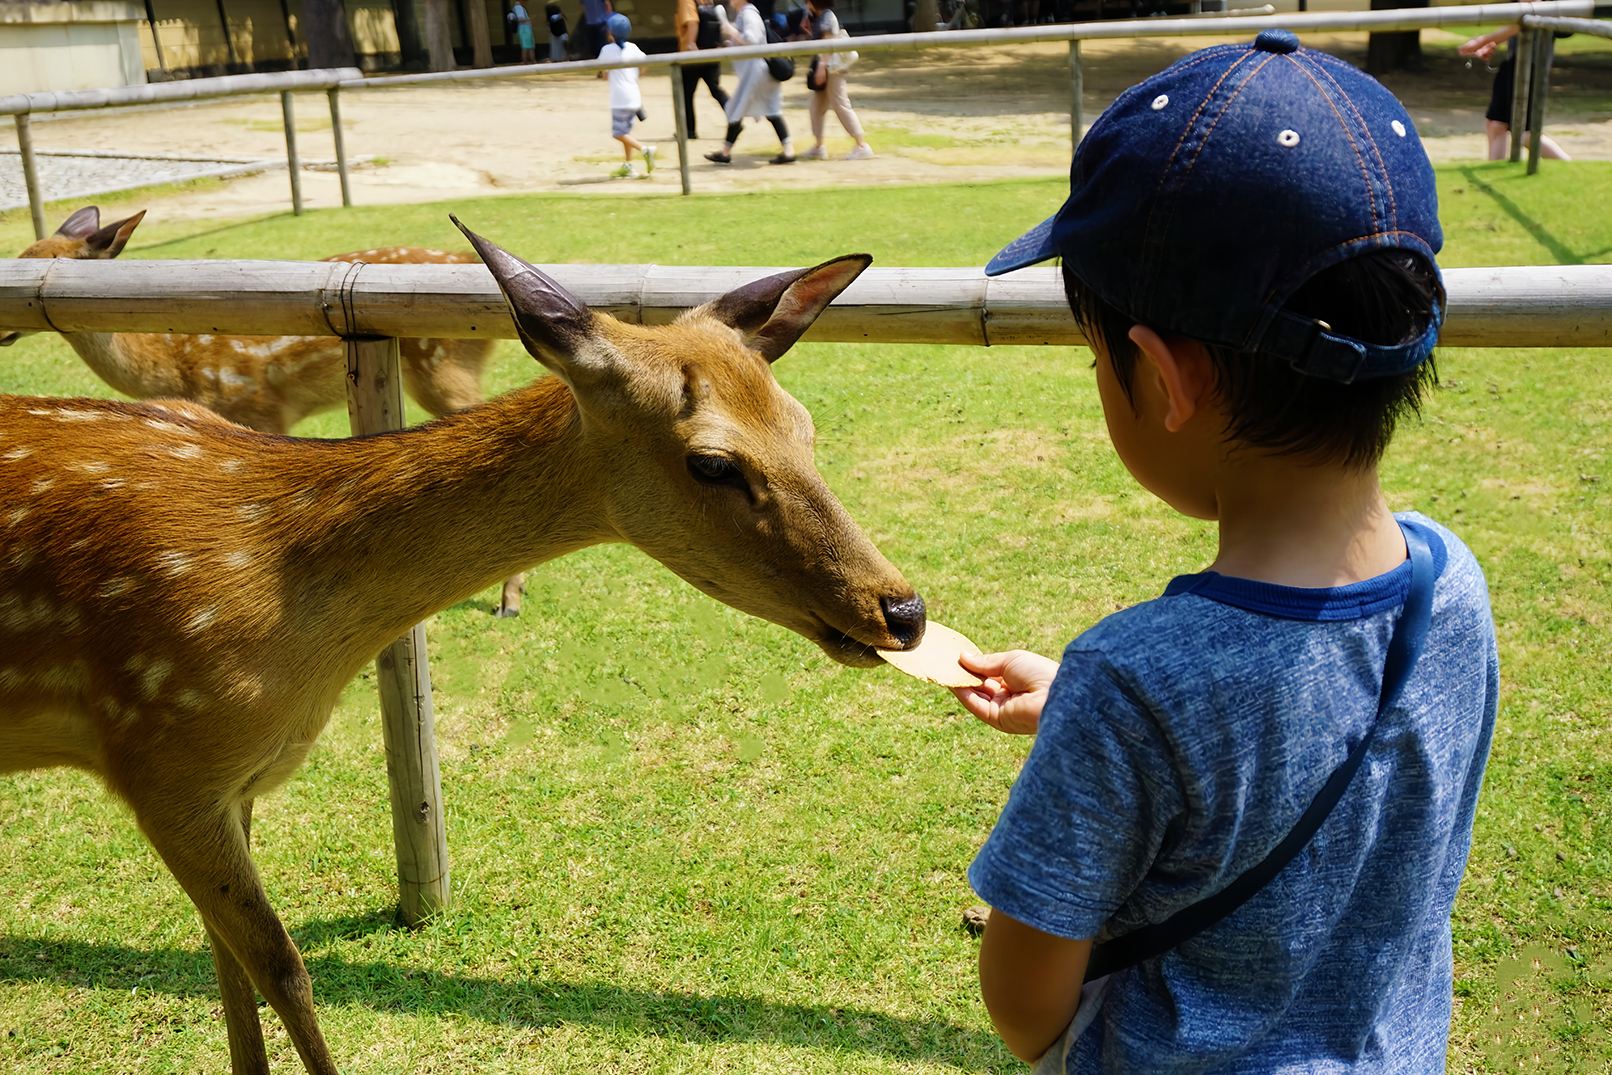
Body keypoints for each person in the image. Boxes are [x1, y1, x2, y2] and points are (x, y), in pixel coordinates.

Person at [955, 30, 1499, 1072]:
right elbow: (1310, 724)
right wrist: (1092, 719)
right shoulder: (1452, 581)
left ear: (1163, 376)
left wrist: (1105, 725)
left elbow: (1026, 1008)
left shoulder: (1135, 683)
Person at [1459, 25, 1571, 161]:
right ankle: (1494, 170)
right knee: (1496, 124)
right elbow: (1518, 23)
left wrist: (1481, 41)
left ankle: (1570, 167)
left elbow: (1526, 18)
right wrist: (1491, 42)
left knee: (1524, 133)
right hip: (1514, 63)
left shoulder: (1538, 4)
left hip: (1530, 66)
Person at [704, 0, 796, 165]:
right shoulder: (747, 13)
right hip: (758, 71)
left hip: (756, 72)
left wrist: (731, 31)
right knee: (769, 110)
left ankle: (725, 152)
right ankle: (788, 150)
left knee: (739, 108)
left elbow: (751, 39)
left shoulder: (748, 14)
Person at [800, 0, 872, 161]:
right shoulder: (817, 17)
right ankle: (818, 146)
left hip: (832, 69)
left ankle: (862, 145)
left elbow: (828, 43)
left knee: (841, 105)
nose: (805, 5)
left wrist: (821, 67)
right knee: (816, 107)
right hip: (826, 67)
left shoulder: (827, 17)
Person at [599, 13, 654, 178]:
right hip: (634, 97)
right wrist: (636, 74)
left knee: (618, 133)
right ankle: (629, 165)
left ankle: (645, 150)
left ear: (611, 33)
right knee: (626, 133)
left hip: (619, 99)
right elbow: (645, 65)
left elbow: (604, 74)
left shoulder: (607, 50)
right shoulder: (633, 47)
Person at [675, 0, 731, 139]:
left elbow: (692, 21)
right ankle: (735, 118)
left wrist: (691, 44)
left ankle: (689, 130)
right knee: (716, 89)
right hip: (710, 51)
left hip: (693, 55)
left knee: (686, 94)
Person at [580, 0, 612, 75]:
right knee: (594, 48)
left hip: (601, 23)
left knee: (602, 47)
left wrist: (609, 18)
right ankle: (600, 69)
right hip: (590, 23)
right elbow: (583, 6)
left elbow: (607, 4)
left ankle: (604, 69)